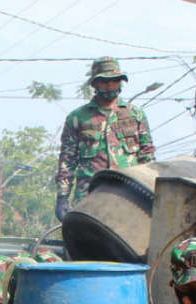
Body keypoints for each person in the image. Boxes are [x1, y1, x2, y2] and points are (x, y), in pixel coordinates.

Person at [55, 57, 155, 221]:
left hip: (130, 197)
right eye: (105, 82)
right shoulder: (78, 118)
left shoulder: (135, 115)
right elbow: (67, 161)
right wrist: (62, 196)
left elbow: (148, 158)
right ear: (95, 84)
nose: (110, 86)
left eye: (115, 81)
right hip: (90, 196)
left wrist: (152, 192)